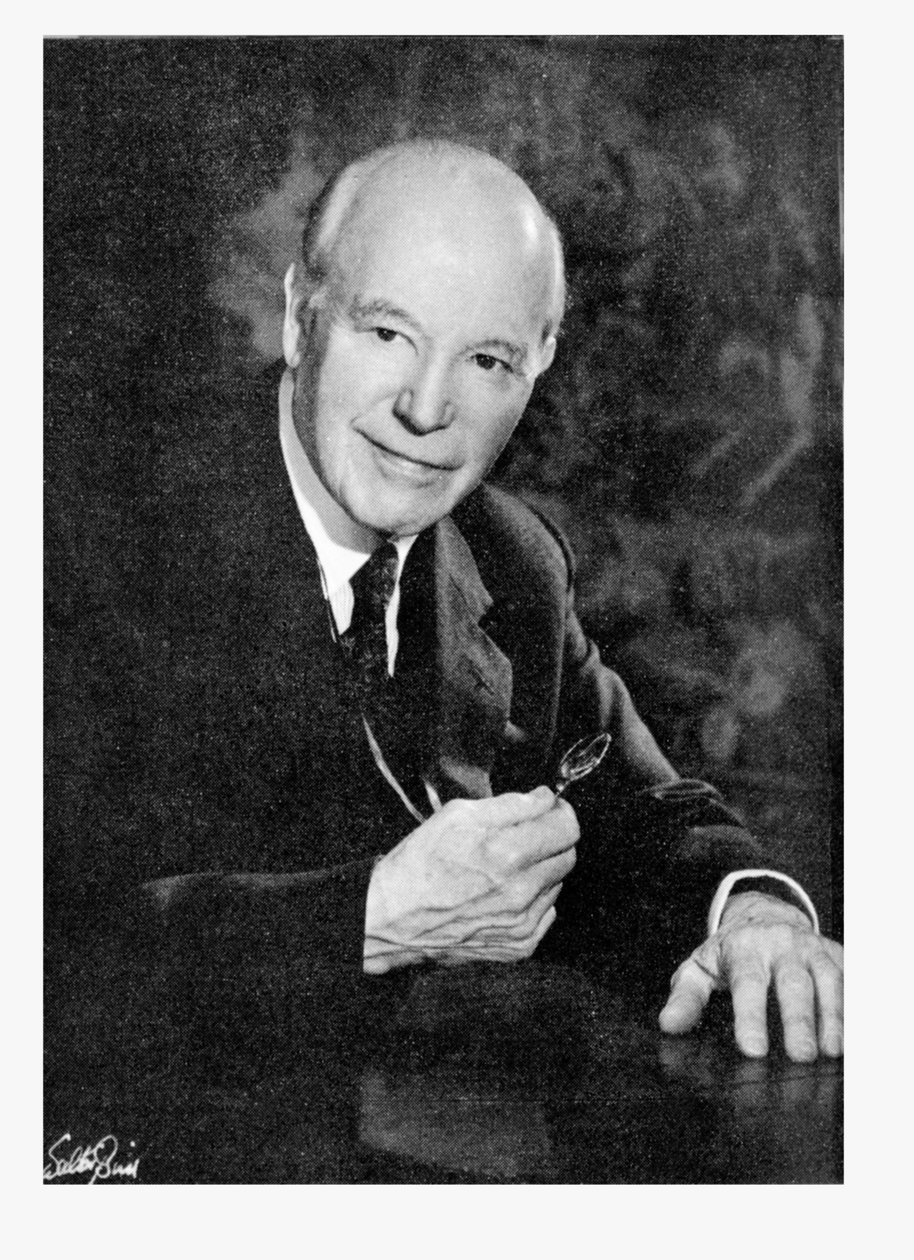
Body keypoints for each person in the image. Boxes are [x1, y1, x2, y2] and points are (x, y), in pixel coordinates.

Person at [50, 139, 842, 1068]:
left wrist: (756, 913)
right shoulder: (79, 538)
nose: (426, 410)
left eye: (488, 361)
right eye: (388, 334)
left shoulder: (513, 558)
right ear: (301, 319)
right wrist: (371, 920)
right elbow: (49, 944)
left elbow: (645, 813)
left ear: (540, 365)